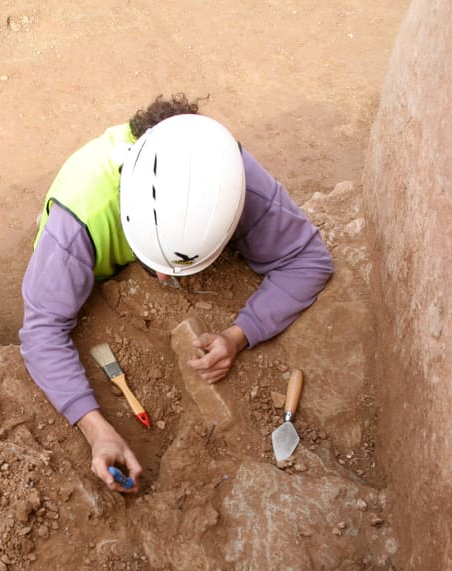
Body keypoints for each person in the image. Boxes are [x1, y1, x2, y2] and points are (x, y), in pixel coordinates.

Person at [19, 94, 334, 493]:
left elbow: (309, 260)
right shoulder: (78, 221)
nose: (167, 283)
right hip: (78, 239)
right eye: (159, 268)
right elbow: (40, 332)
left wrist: (238, 335)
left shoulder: (227, 175)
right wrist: (96, 428)